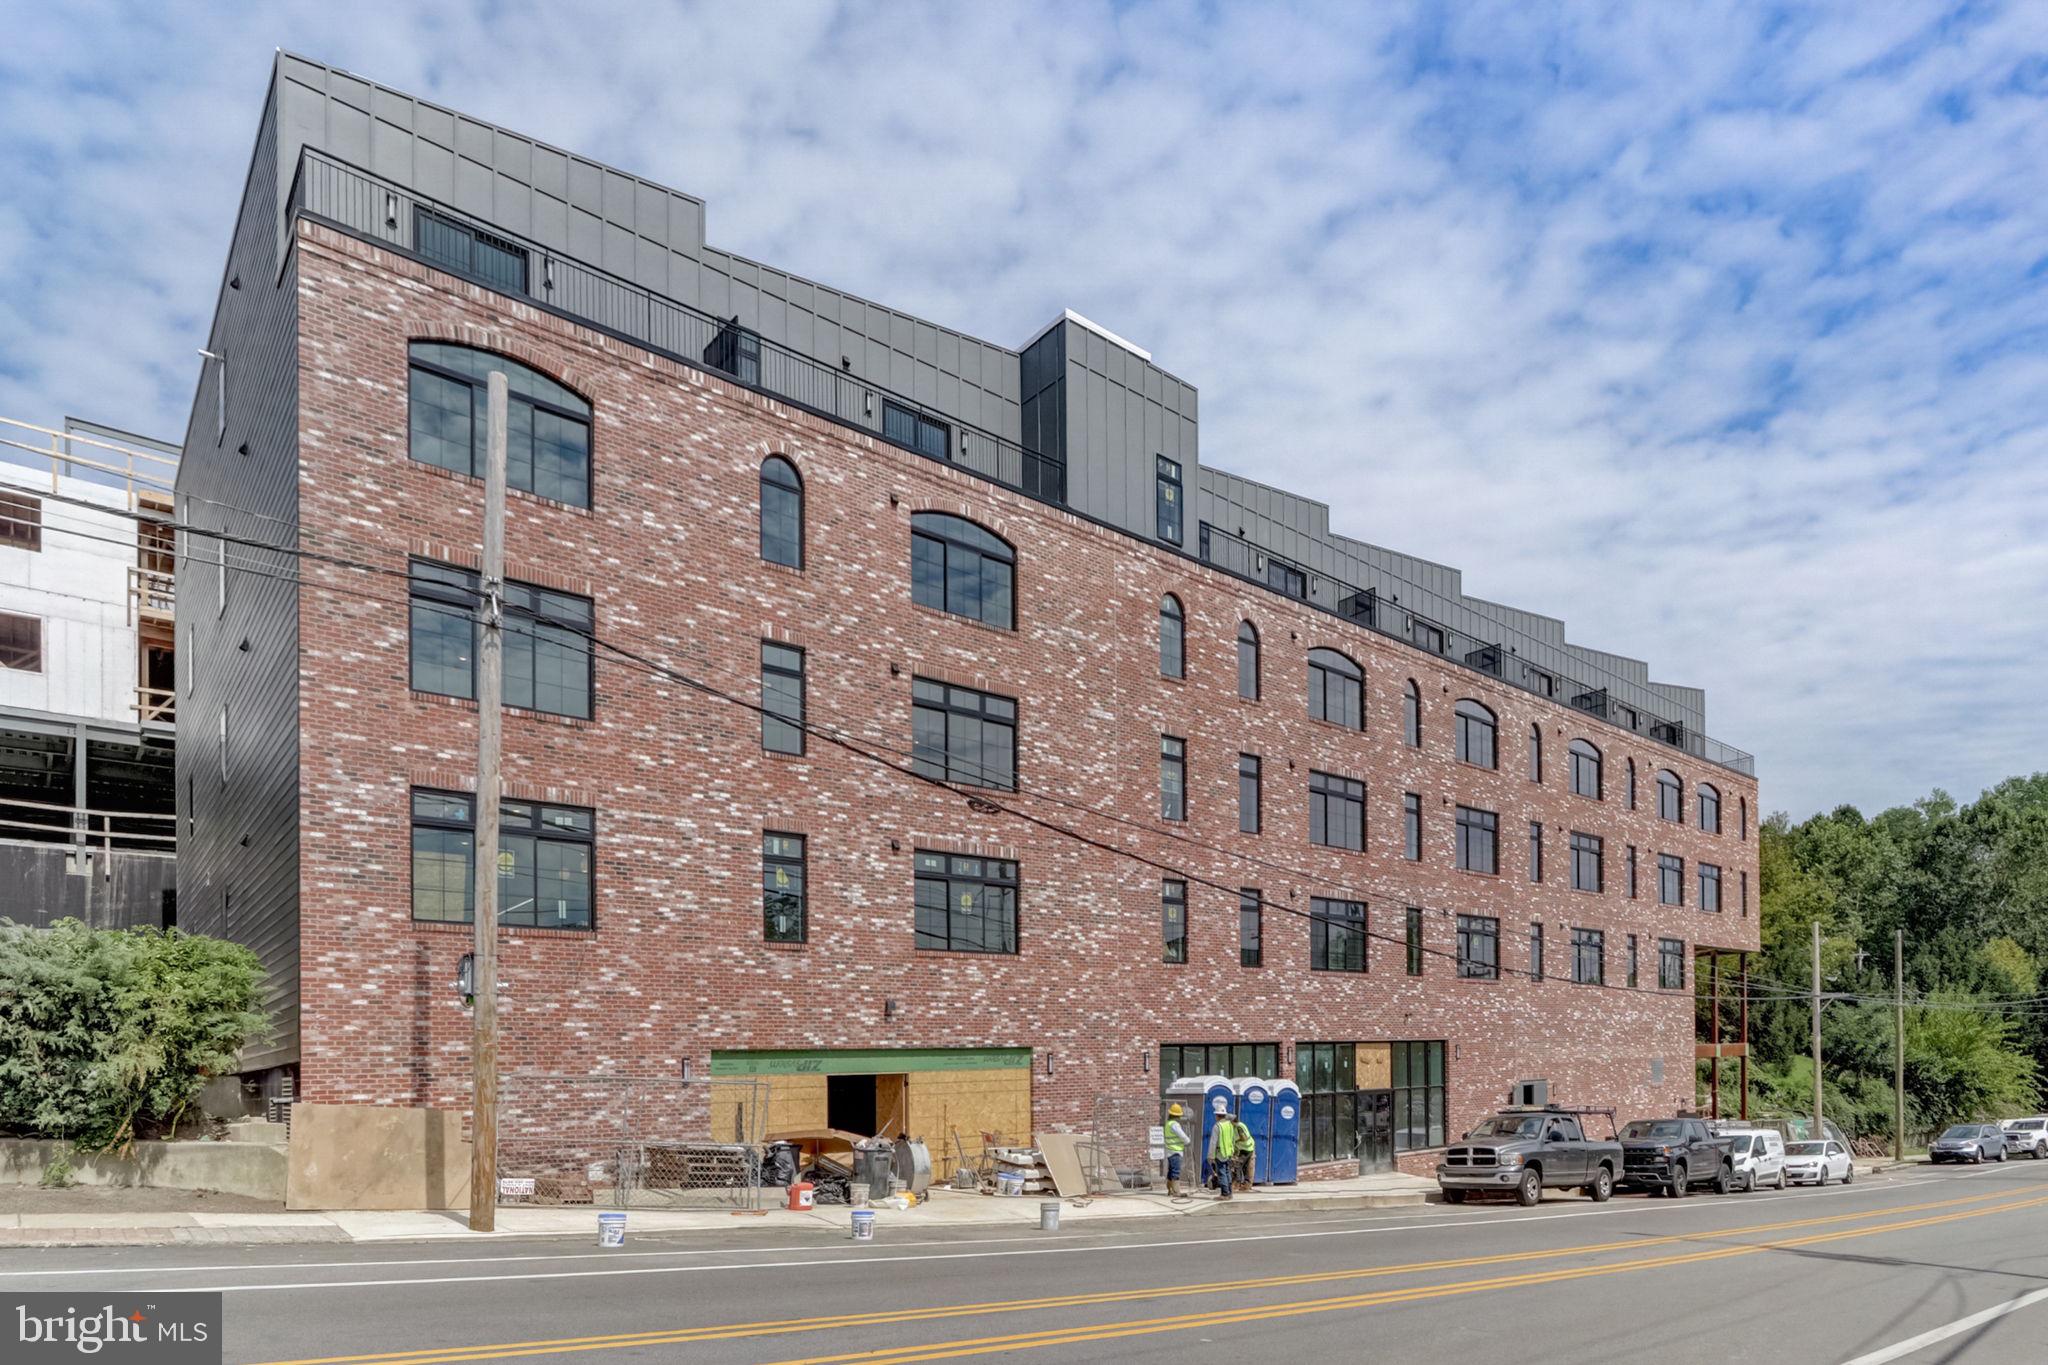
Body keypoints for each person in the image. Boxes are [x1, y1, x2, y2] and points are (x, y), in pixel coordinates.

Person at [1209, 1107, 1239, 1199]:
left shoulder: (1217, 1126)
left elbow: (1213, 1142)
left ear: (1217, 1116)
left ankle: (1224, 1194)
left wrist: (1211, 1155)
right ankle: (1229, 1193)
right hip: (1228, 1153)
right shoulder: (1229, 1125)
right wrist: (1233, 1151)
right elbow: (1233, 1139)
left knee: (1221, 1173)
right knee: (1227, 1172)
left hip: (1220, 1153)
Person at [1163, 1104, 1191, 1199]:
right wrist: (1188, 1141)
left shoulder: (1168, 1123)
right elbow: (1182, 1135)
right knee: (1176, 1171)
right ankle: (1176, 1191)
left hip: (1169, 1151)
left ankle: (1170, 1190)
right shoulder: (1174, 1124)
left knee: (1171, 1171)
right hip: (1175, 1151)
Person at [1232, 1113, 1257, 1191]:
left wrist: (1235, 1141)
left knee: (1237, 1165)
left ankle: (1237, 1184)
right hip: (1249, 1147)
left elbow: (1244, 1138)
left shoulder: (1238, 1127)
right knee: (1247, 1167)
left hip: (1245, 1148)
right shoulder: (1240, 1124)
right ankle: (1247, 1185)